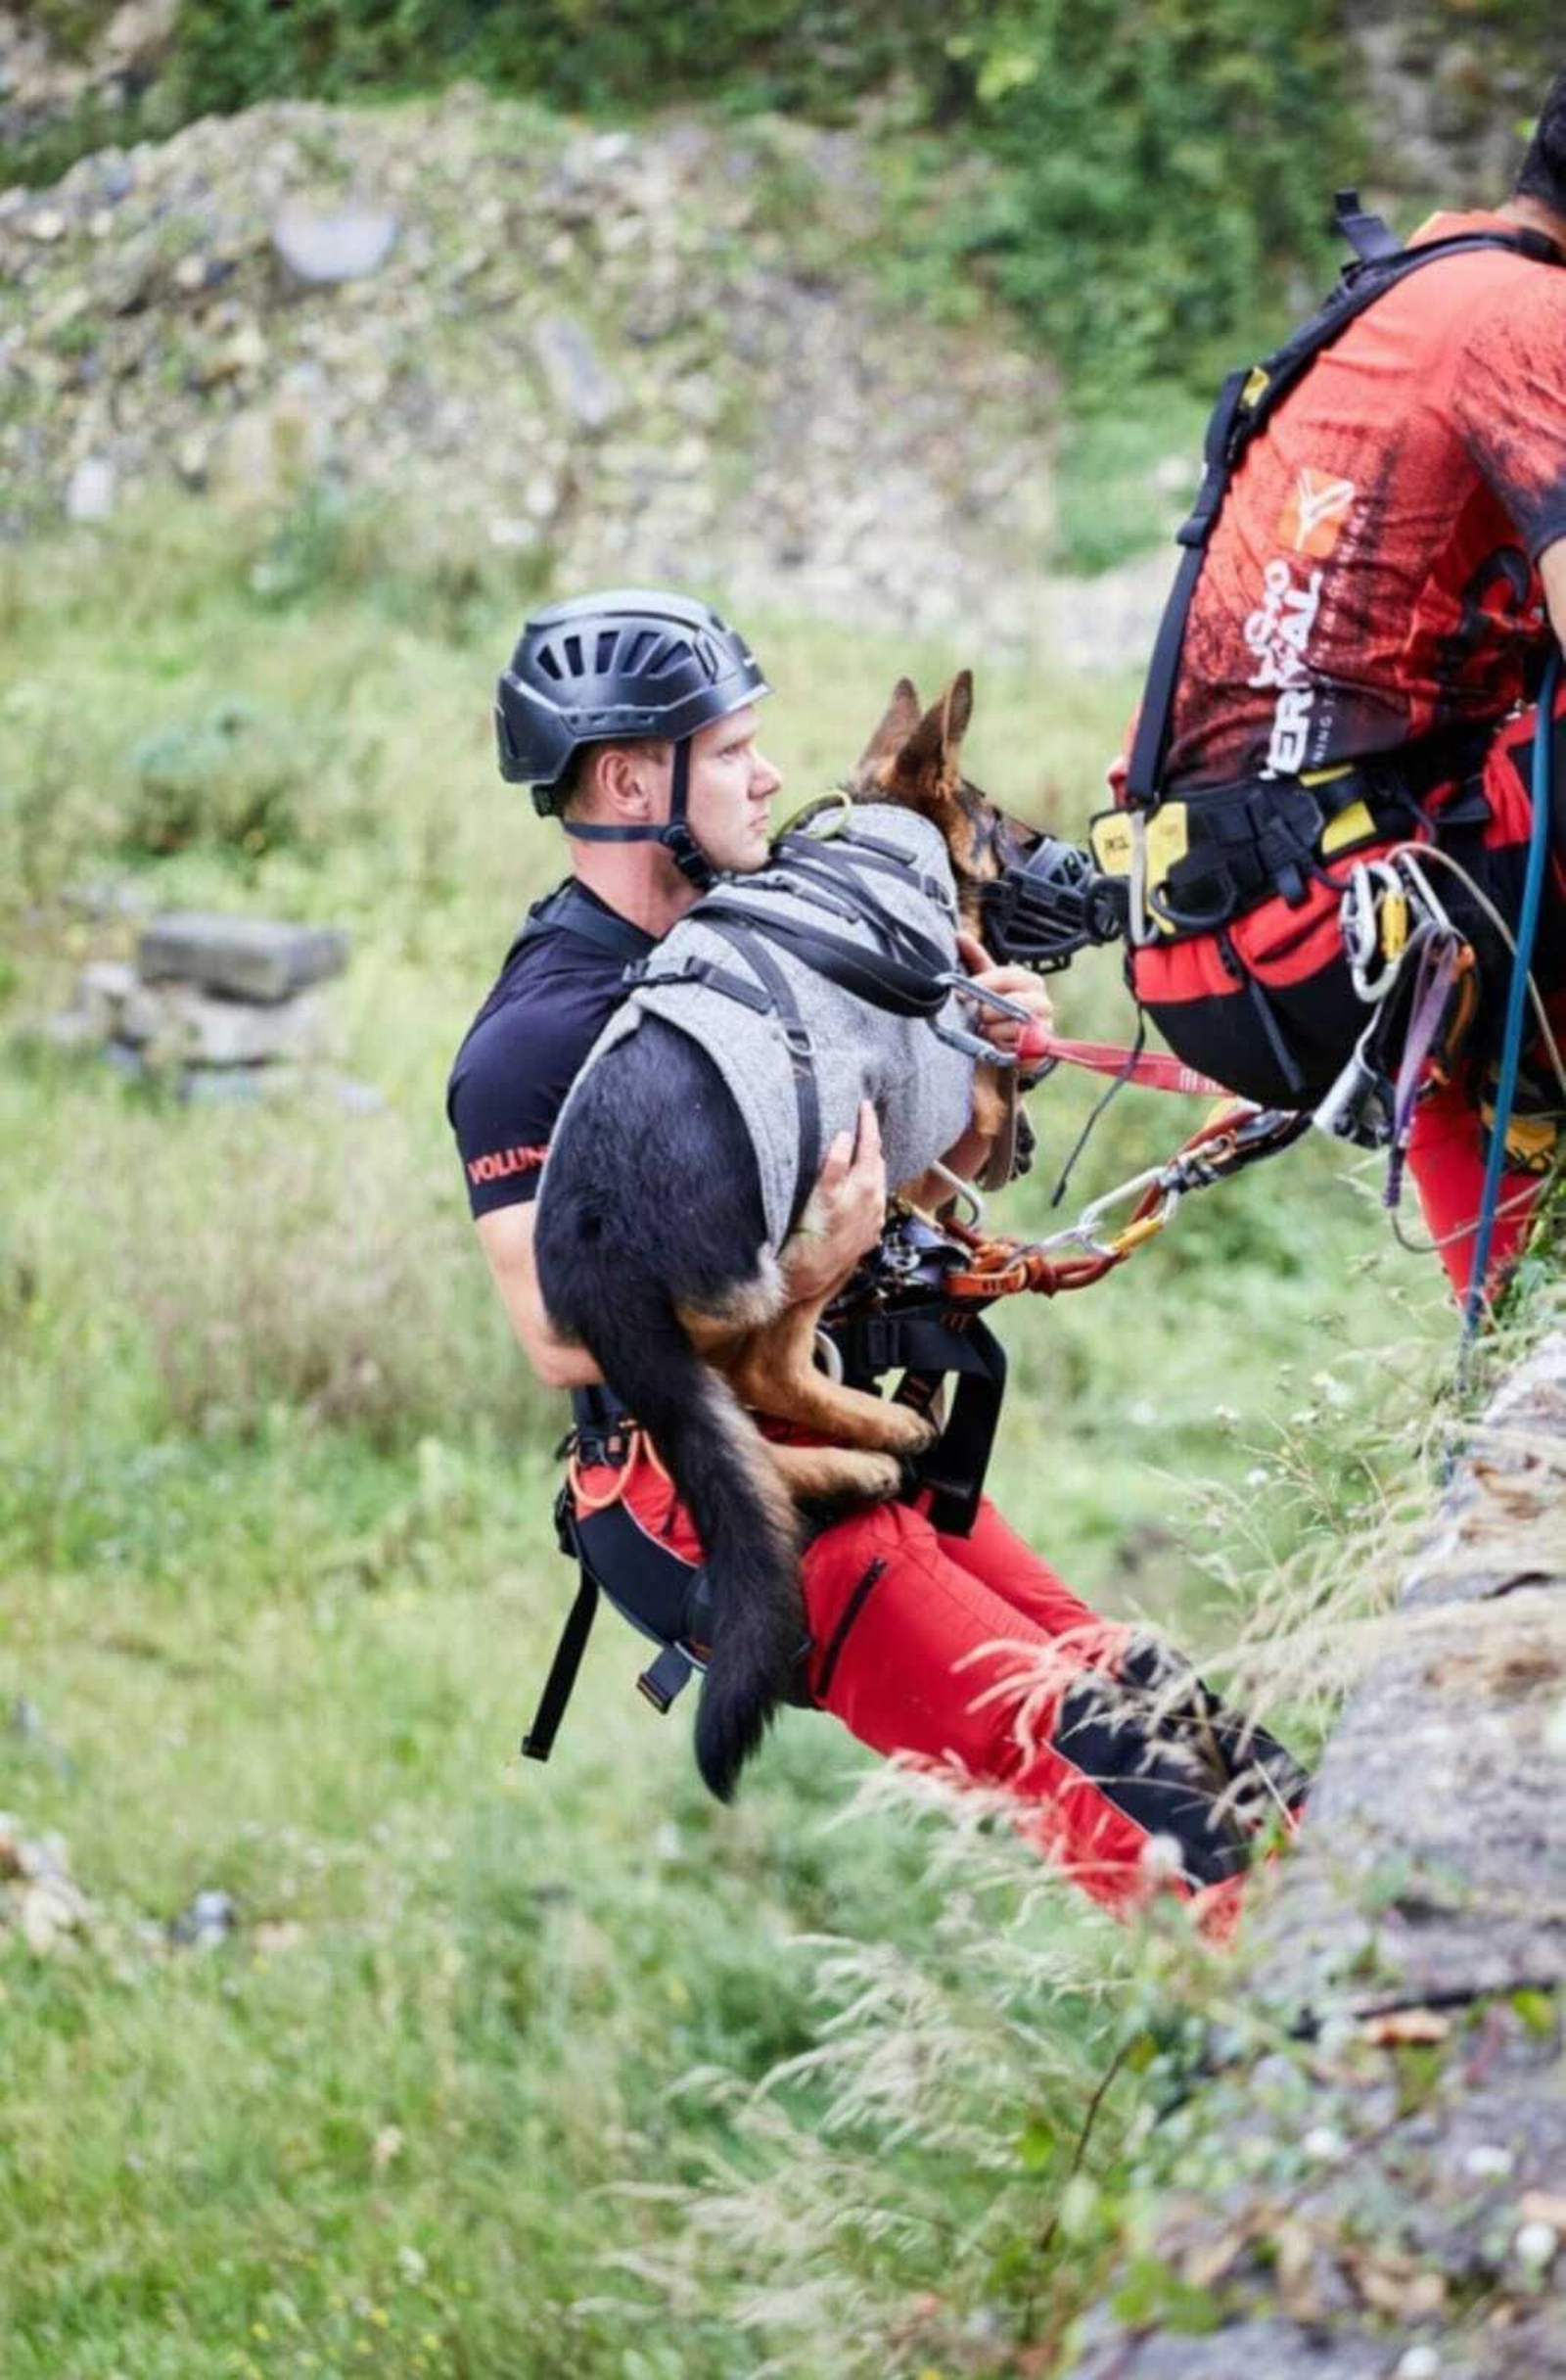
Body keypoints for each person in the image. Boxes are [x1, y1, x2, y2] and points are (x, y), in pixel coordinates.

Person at [449, 587, 1307, 1923]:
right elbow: (563, 1330)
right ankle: (1312, 2015)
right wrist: (805, 1269)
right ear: (630, 776)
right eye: (733, 750)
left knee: (1121, 1671)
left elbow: (888, 1174)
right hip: (696, 1481)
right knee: (1063, 1744)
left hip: (845, 1411)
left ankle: (1348, 1878)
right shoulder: (540, 1035)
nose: (772, 774)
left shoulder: (775, 924)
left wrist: (979, 1066)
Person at [1108, 70, 1566, 1302]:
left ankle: (1508, 1300)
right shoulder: (1527, 319)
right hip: (1318, 913)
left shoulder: (1433, 285)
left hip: (1234, 909)